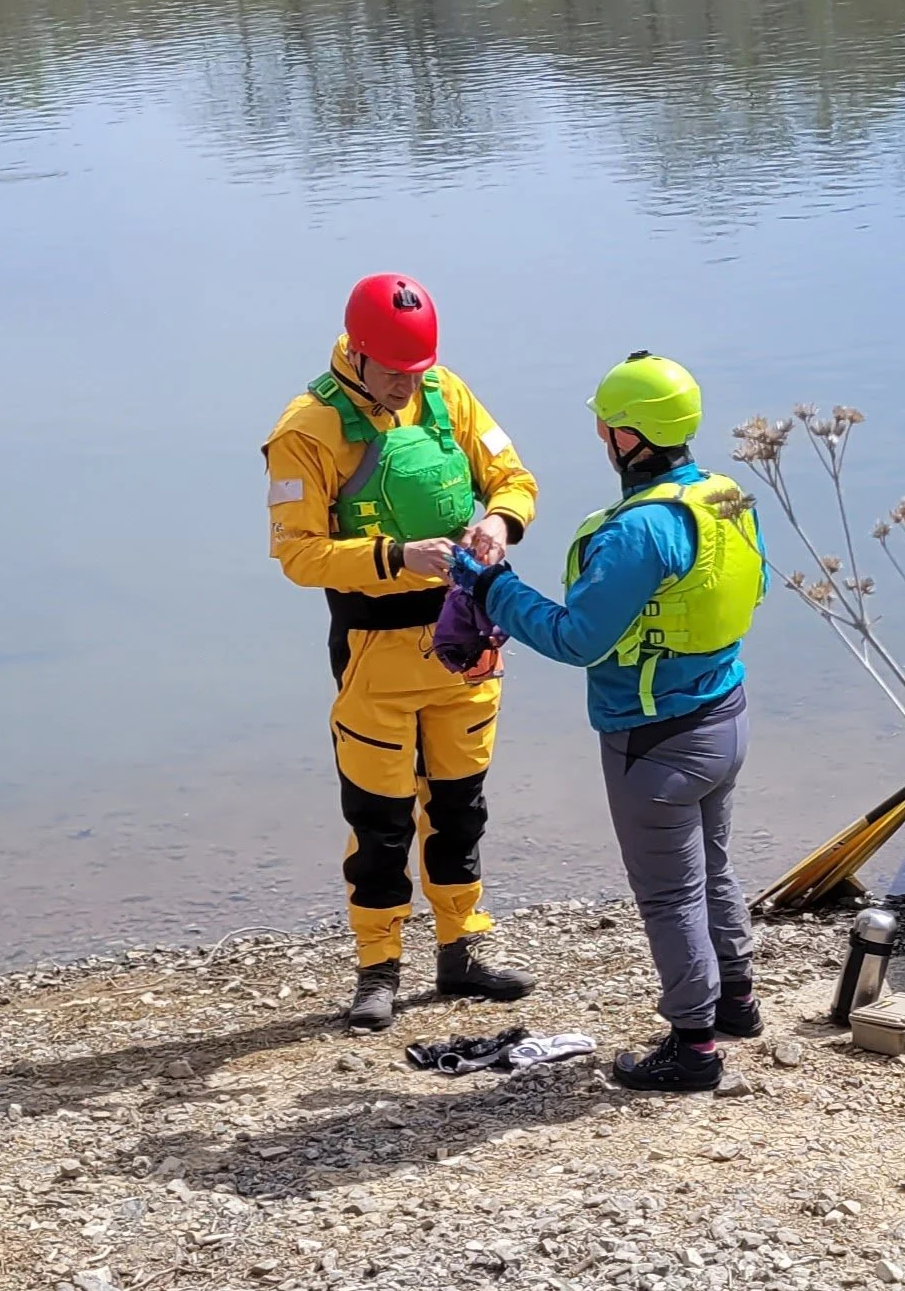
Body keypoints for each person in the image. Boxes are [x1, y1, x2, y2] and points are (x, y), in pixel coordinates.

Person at [460, 352, 766, 1093]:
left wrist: (492, 587)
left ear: (628, 437)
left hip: (653, 740)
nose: (600, 434)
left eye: (605, 423)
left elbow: (576, 638)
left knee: (669, 894)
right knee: (713, 868)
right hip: (724, 716)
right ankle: (737, 1003)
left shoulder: (637, 533)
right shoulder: (724, 497)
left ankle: (693, 1050)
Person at [265, 274, 541, 1031]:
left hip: (467, 647)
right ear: (356, 352)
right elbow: (296, 554)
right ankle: (378, 967)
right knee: (381, 820)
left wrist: (500, 523)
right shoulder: (308, 429)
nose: (404, 385)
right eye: (392, 371)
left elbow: (514, 478)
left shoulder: (445, 392)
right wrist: (392, 557)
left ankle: (462, 951)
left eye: (416, 371)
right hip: (374, 654)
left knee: (461, 810)